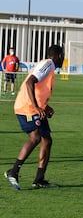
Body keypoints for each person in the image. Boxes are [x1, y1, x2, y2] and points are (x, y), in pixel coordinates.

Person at [4, 44, 64, 190]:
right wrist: (36, 107)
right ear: (57, 56)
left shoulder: (49, 68)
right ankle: (13, 172)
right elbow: (30, 82)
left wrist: (45, 107)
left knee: (47, 140)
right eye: (62, 54)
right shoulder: (48, 64)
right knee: (35, 137)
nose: (63, 58)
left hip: (36, 108)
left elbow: (38, 89)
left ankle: (39, 179)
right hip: (27, 108)